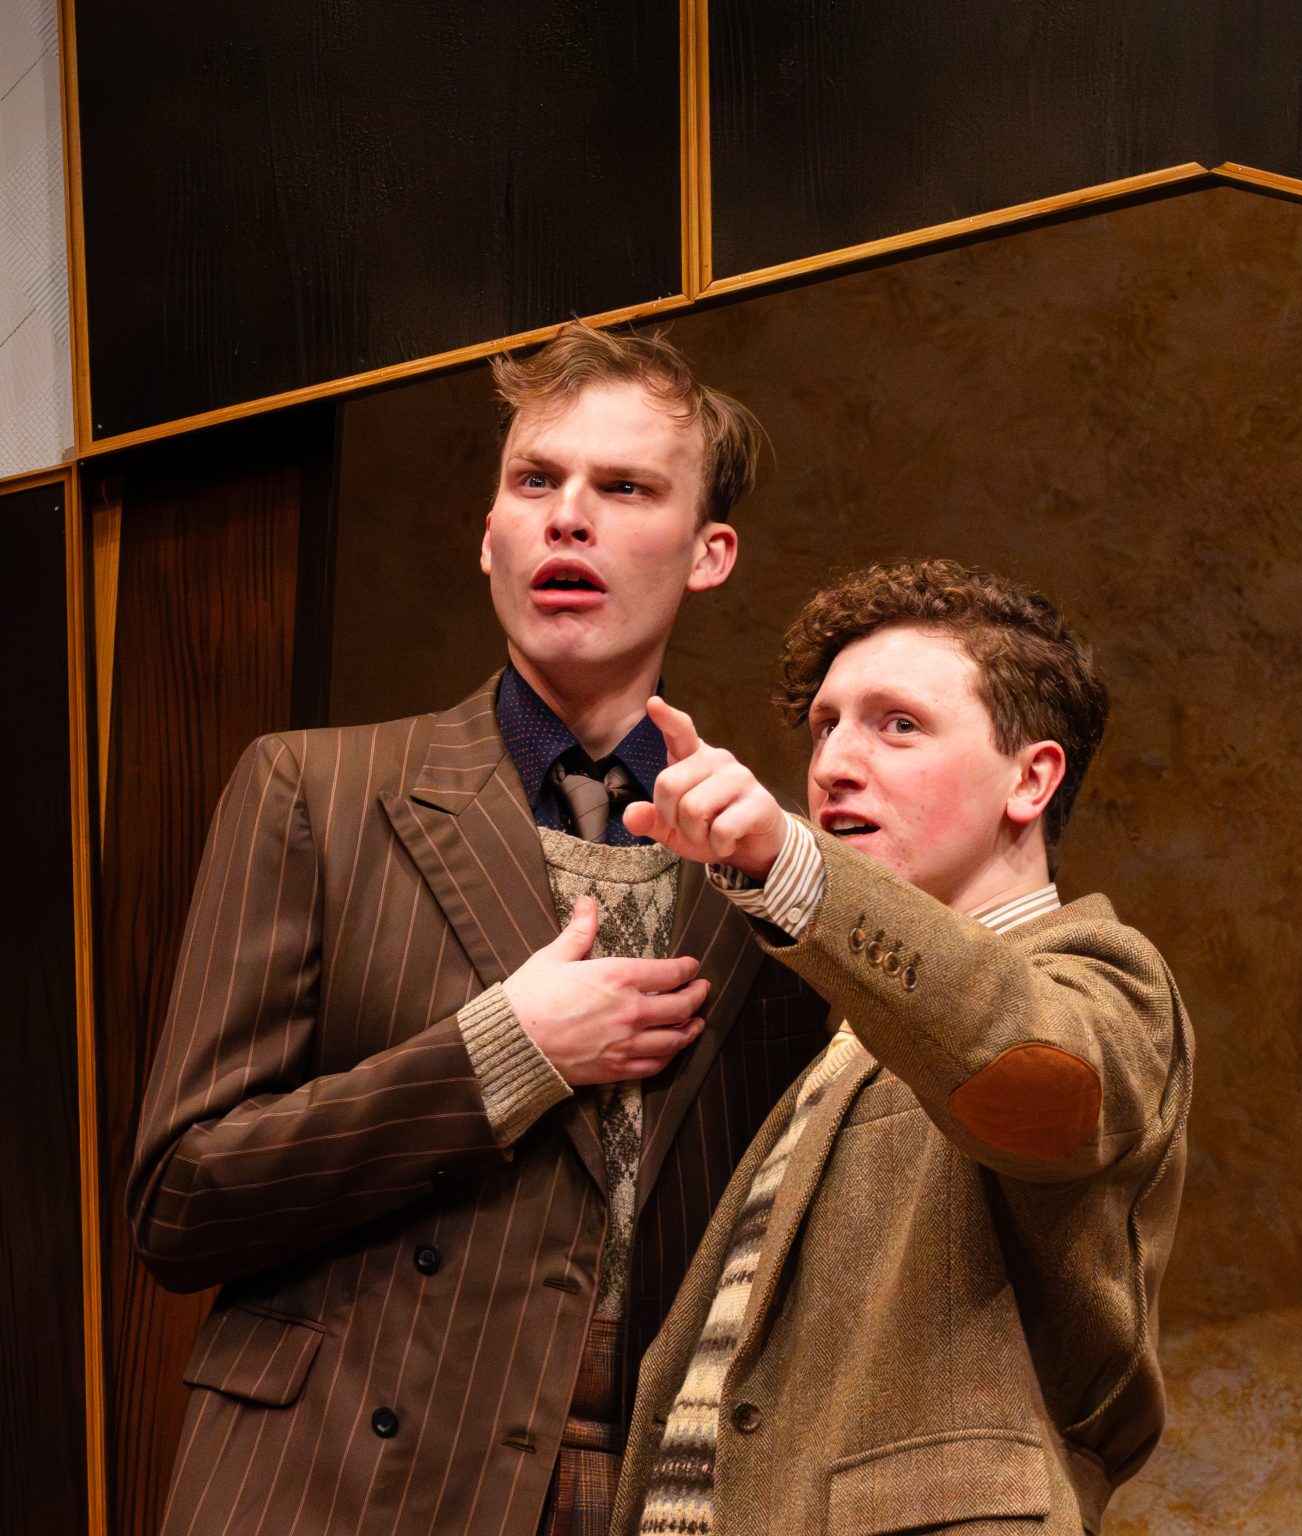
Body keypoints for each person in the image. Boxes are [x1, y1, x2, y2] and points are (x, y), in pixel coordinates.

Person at [127, 323, 830, 1536]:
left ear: (707, 553)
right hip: (340, 1486)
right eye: (534, 481)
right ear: (489, 533)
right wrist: (503, 1052)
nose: (569, 518)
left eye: (624, 488)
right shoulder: (316, 791)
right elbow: (181, 1204)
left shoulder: (770, 870)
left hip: (641, 1495)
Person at [609, 559, 1194, 1536]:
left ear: (1030, 779)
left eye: (898, 725)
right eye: (824, 726)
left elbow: (1031, 1078)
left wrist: (793, 866)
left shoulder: (1106, 981)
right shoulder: (847, 1034)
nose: (833, 763)